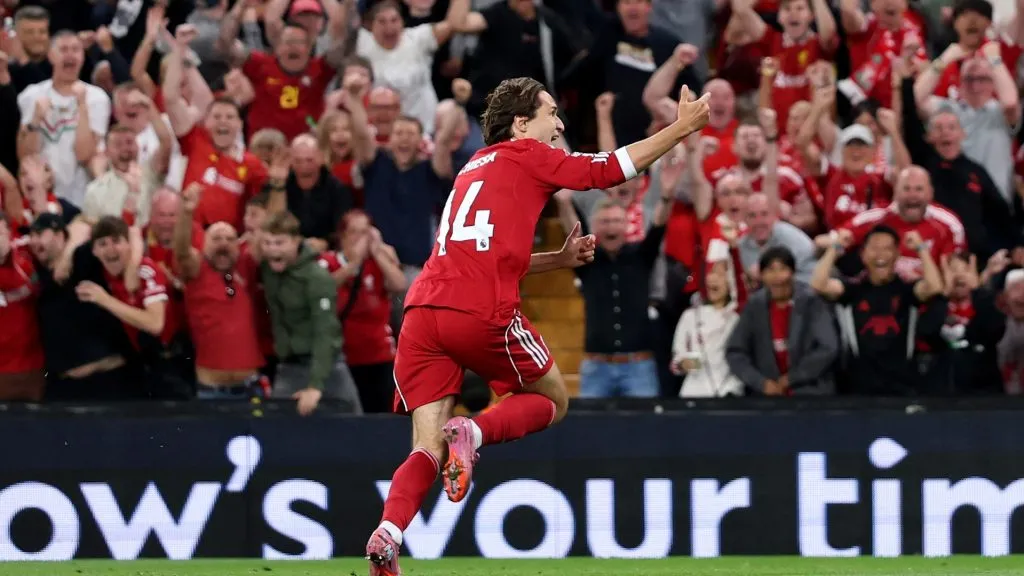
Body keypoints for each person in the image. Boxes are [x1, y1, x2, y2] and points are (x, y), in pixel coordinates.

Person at [365, 76, 710, 575]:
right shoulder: (528, 154)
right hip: (481, 311)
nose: (560, 124)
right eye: (552, 114)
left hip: (422, 313)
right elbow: (610, 170)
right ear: (522, 123)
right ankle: (475, 432)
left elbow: (487, 252)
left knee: (427, 445)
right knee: (553, 400)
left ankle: (389, 534)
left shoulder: (472, 167)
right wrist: (680, 129)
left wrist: (557, 259)